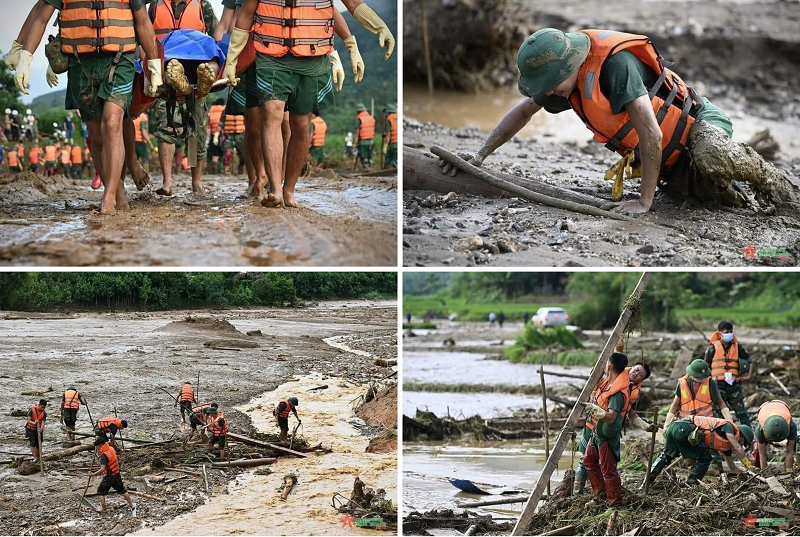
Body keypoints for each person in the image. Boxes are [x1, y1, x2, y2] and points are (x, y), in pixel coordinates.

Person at [438, 28, 800, 214]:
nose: (549, 93)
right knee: (726, 205)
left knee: (712, 159)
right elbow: (522, 112)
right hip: (672, 158)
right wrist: (480, 155)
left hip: (702, 126)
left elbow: (650, 131)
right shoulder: (562, 83)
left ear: (571, 66)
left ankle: (774, 181)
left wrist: (644, 204)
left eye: (552, 85)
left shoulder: (615, 67)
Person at [223, 0, 394, 208]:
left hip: (313, 57)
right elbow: (246, 14)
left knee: (301, 124)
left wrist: (378, 28)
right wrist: (232, 59)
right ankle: (275, 189)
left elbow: (349, 5)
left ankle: (289, 190)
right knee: (271, 112)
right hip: (271, 55)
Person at [17, 0, 161, 213]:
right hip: (79, 62)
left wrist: (153, 63)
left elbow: (142, 22)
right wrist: (25, 56)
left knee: (113, 122)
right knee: (97, 134)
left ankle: (109, 197)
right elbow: (41, 17)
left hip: (120, 58)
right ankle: (118, 192)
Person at [149, 0, 220, 197]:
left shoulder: (202, 5)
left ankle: (196, 182)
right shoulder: (155, 6)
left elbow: (216, 35)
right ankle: (168, 182)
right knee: (166, 125)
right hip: (166, 69)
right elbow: (145, 36)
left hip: (197, 69)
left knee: (195, 127)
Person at [575, 358, 657, 495]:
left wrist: (645, 426)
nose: (637, 374)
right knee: (585, 460)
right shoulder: (614, 378)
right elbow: (615, 359)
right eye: (636, 370)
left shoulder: (629, 392)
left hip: (607, 428)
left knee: (606, 466)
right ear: (630, 368)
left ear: (641, 380)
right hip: (592, 425)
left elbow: (630, 414)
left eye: (641, 375)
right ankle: (578, 491)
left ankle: (605, 495)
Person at [580, 352, 630, 507]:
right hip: (596, 433)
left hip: (606, 437)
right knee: (589, 462)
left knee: (609, 471)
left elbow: (610, 417)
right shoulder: (607, 383)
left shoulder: (617, 393)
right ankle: (600, 496)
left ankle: (614, 503)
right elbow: (594, 382)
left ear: (609, 366)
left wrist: (595, 410)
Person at [645, 415, 753, 487]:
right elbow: (738, 448)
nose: (741, 444)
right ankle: (691, 484)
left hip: (675, 426)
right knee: (705, 457)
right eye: (743, 441)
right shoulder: (728, 427)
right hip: (684, 428)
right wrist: (748, 465)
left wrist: (743, 473)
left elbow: (732, 468)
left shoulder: (726, 446)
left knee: (666, 456)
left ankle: (647, 481)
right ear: (742, 435)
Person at [704, 321, 752, 426]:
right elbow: (706, 367)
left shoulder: (738, 347)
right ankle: (721, 436)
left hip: (734, 384)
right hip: (717, 385)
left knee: (741, 412)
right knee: (718, 414)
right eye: (726, 332)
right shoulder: (712, 348)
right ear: (720, 333)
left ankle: (750, 436)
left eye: (731, 331)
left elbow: (750, 360)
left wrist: (748, 375)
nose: (729, 334)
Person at [92, 437, 136, 514]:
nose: (98, 449)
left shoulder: (104, 455)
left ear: (100, 445)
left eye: (98, 447)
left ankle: (104, 509)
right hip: (116, 474)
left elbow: (102, 469)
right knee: (122, 490)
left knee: (100, 491)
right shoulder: (111, 449)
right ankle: (132, 505)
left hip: (109, 476)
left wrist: (93, 474)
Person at [753, 400, 796, 472]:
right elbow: (762, 454)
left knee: (794, 446)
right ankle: (757, 466)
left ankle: (788, 467)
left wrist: (789, 471)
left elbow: (790, 451)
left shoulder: (791, 425)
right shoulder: (759, 429)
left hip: (782, 406)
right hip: (765, 407)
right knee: (757, 450)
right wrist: (765, 473)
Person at [353, 103, 375, 170]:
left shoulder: (359, 119)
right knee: (369, 155)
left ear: (358, 111)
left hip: (363, 141)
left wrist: (355, 143)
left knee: (363, 155)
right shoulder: (371, 118)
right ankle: (369, 165)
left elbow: (357, 133)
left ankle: (366, 167)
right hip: (371, 141)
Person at [207, 98, 225, 175]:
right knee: (222, 154)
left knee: (213, 153)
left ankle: (212, 170)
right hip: (222, 135)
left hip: (212, 135)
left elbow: (207, 127)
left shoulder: (210, 112)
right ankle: (221, 171)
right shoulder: (224, 110)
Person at [383, 104, 397, 168]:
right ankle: (387, 169)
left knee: (395, 159)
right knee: (389, 156)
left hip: (394, 143)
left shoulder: (389, 119)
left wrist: (385, 145)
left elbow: (388, 134)